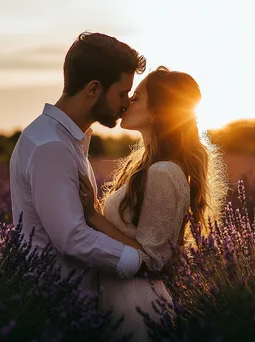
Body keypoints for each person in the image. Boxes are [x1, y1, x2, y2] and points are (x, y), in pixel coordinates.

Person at [78, 66, 228, 341]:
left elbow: (152, 260)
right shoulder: (149, 168)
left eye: (136, 98)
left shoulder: (164, 173)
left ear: (157, 112)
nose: (126, 103)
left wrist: (93, 216)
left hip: (136, 305)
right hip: (117, 297)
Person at [9, 32, 161, 298]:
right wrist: (140, 263)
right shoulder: (52, 147)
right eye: (122, 93)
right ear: (93, 89)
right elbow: (72, 238)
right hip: (58, 304)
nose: (127, 103)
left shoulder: (59, 138)